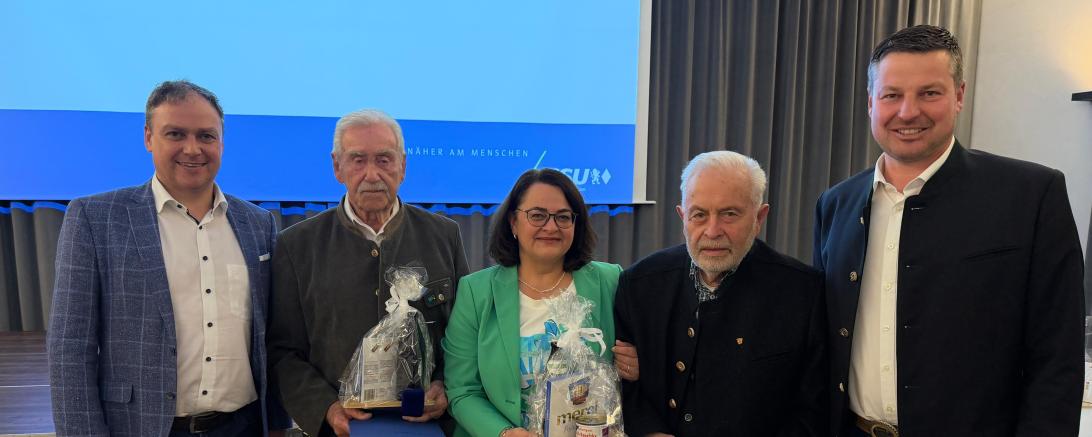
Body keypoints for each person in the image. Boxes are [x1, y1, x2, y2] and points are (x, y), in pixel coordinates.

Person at [814, 25, 1085, 436]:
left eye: (929, 93)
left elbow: (1057, 356)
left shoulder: (1031, 196)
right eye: (892, 95)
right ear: (871, 102)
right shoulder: (836, 204)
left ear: (958, 96)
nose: (908, 112)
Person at [47, 80, 289, 436]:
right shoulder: (95, 218)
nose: (193, 149)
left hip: (244, 425)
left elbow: (270, 340)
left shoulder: (258, 224)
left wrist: (278, 424)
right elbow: (70, 349)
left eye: (206, 136)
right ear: (148, 138)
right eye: (175, 134)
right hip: (143, 427)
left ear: (222, 141)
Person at [268, 109, 470, 437]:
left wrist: (446, 387)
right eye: (358, 160)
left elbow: (464, 336)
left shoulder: (443, 236)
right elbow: (282, 351)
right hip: (339, 429)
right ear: (338, 166)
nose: (372, 173)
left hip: (426, 428)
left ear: (402, 166)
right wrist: (326, 409)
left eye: (384, 159)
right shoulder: (297, 246)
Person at [616, 151, 827, 436]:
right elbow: (624, 388)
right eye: (699, 215)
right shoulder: (639, 284)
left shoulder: (803, 293)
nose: (712, 231)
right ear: (683, 217)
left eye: (729, 214)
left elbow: (814, 409)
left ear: (759, 217)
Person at [442, 168, 625, 437]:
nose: (551, 227)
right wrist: (503, 433)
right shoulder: (476, 292)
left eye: (563, 217)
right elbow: (462, 391)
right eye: (537, 215)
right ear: (513, 223)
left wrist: (635, 362)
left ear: (576, 224)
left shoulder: (610, 282)